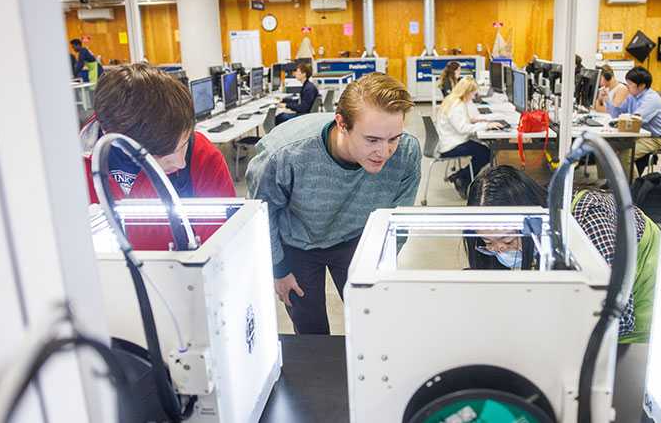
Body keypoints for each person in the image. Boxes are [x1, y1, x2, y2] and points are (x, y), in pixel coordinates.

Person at [246, 73, 421, 335]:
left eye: (393, 138)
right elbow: (262, 214)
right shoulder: (284, 154)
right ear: (342, 123)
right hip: (298, 244)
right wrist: (279, 269)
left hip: (357, 239)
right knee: (311, 332)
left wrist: (380, 264)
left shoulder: (406, 152)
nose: (384, 152)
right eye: (372, 140)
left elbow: (399, 219)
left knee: (374, 325)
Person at [464, 165, 660, 344]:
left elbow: (620, 318)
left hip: (640, 332)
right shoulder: (536, 232)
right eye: (488, 243)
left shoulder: (586, 220)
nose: (500, 250)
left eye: (508, 241)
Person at [80, 64, 236, 250]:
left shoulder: (204, 157)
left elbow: (223, 246)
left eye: (184, 144)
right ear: (115, 138)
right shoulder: (72, 168)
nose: (181, 162)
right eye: (166, 156)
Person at [435, 77, 502, 198]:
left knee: (483, 149)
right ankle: (462, 177)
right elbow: (462, 128)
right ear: (466, 92)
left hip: (450, 140)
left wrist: (473, 120)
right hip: (451, 145)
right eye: (473, 93)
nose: (473, 97)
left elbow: (457, 121)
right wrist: (486, 125)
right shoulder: (457, 105)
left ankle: (461, 176)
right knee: (486, 153)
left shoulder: (452, 100)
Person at [608, 66, 661, 173]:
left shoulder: (651, 99)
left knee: (626, 154)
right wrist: (607, 100)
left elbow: (635, 120)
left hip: (653, 138)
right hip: (636, 134)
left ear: (642, 86)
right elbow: (617, 114)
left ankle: (633, 187)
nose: (627, 87)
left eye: (630, 84)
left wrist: (618, 122)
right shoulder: (632, 96)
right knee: (607, 146)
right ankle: (611, 183)